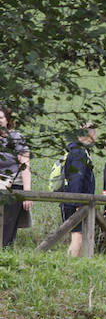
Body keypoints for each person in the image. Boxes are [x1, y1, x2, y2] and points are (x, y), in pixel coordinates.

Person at [61, 124, 97, 257]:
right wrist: (78, 202)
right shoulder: (79, 152)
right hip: (75, 202)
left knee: (80, 237)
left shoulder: (77, 151)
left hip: (73, 200)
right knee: (78, 237)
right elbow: (76, 178)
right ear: (91, 135)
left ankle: (76, 263)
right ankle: (70, 265)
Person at [0, 106, 33, 248]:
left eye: (0, 118)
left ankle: (6, 255)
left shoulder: (16, 138)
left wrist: (27, 193)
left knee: (7, 228)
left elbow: (25, 165)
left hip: (13, 186)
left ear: (7, 120)